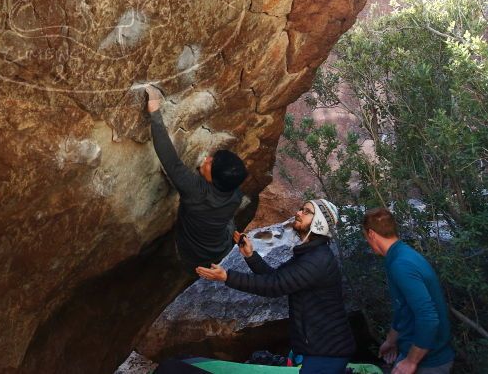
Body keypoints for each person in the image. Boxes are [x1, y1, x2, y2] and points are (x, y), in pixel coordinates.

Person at [196, 198, 356, 374]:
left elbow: (274, 286)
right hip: (321, 348)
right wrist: (250, 256)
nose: (299, 213)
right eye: (301, 209)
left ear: (320, 223)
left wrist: (227, 276)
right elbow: (275, 277)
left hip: (327, 351)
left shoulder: (317, 260)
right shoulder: (310, 254)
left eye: (307, 211)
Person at [145, 85, 247, 273]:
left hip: (193, 255)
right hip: (221, 245)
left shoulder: (195, 192)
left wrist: (154, 110)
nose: (207, 159)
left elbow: (170, 161)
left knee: (191, 271)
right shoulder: (235, 194)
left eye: (210, 164)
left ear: (213, 180)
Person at [362, 208, 455, 374]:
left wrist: (411, 361)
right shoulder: (398, 255)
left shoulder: (402, 264)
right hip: (414, 353)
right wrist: (391, 341)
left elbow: (428, 317)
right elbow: (403, 309)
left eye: (365, 236)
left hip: (430, 362)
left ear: (371, 234)